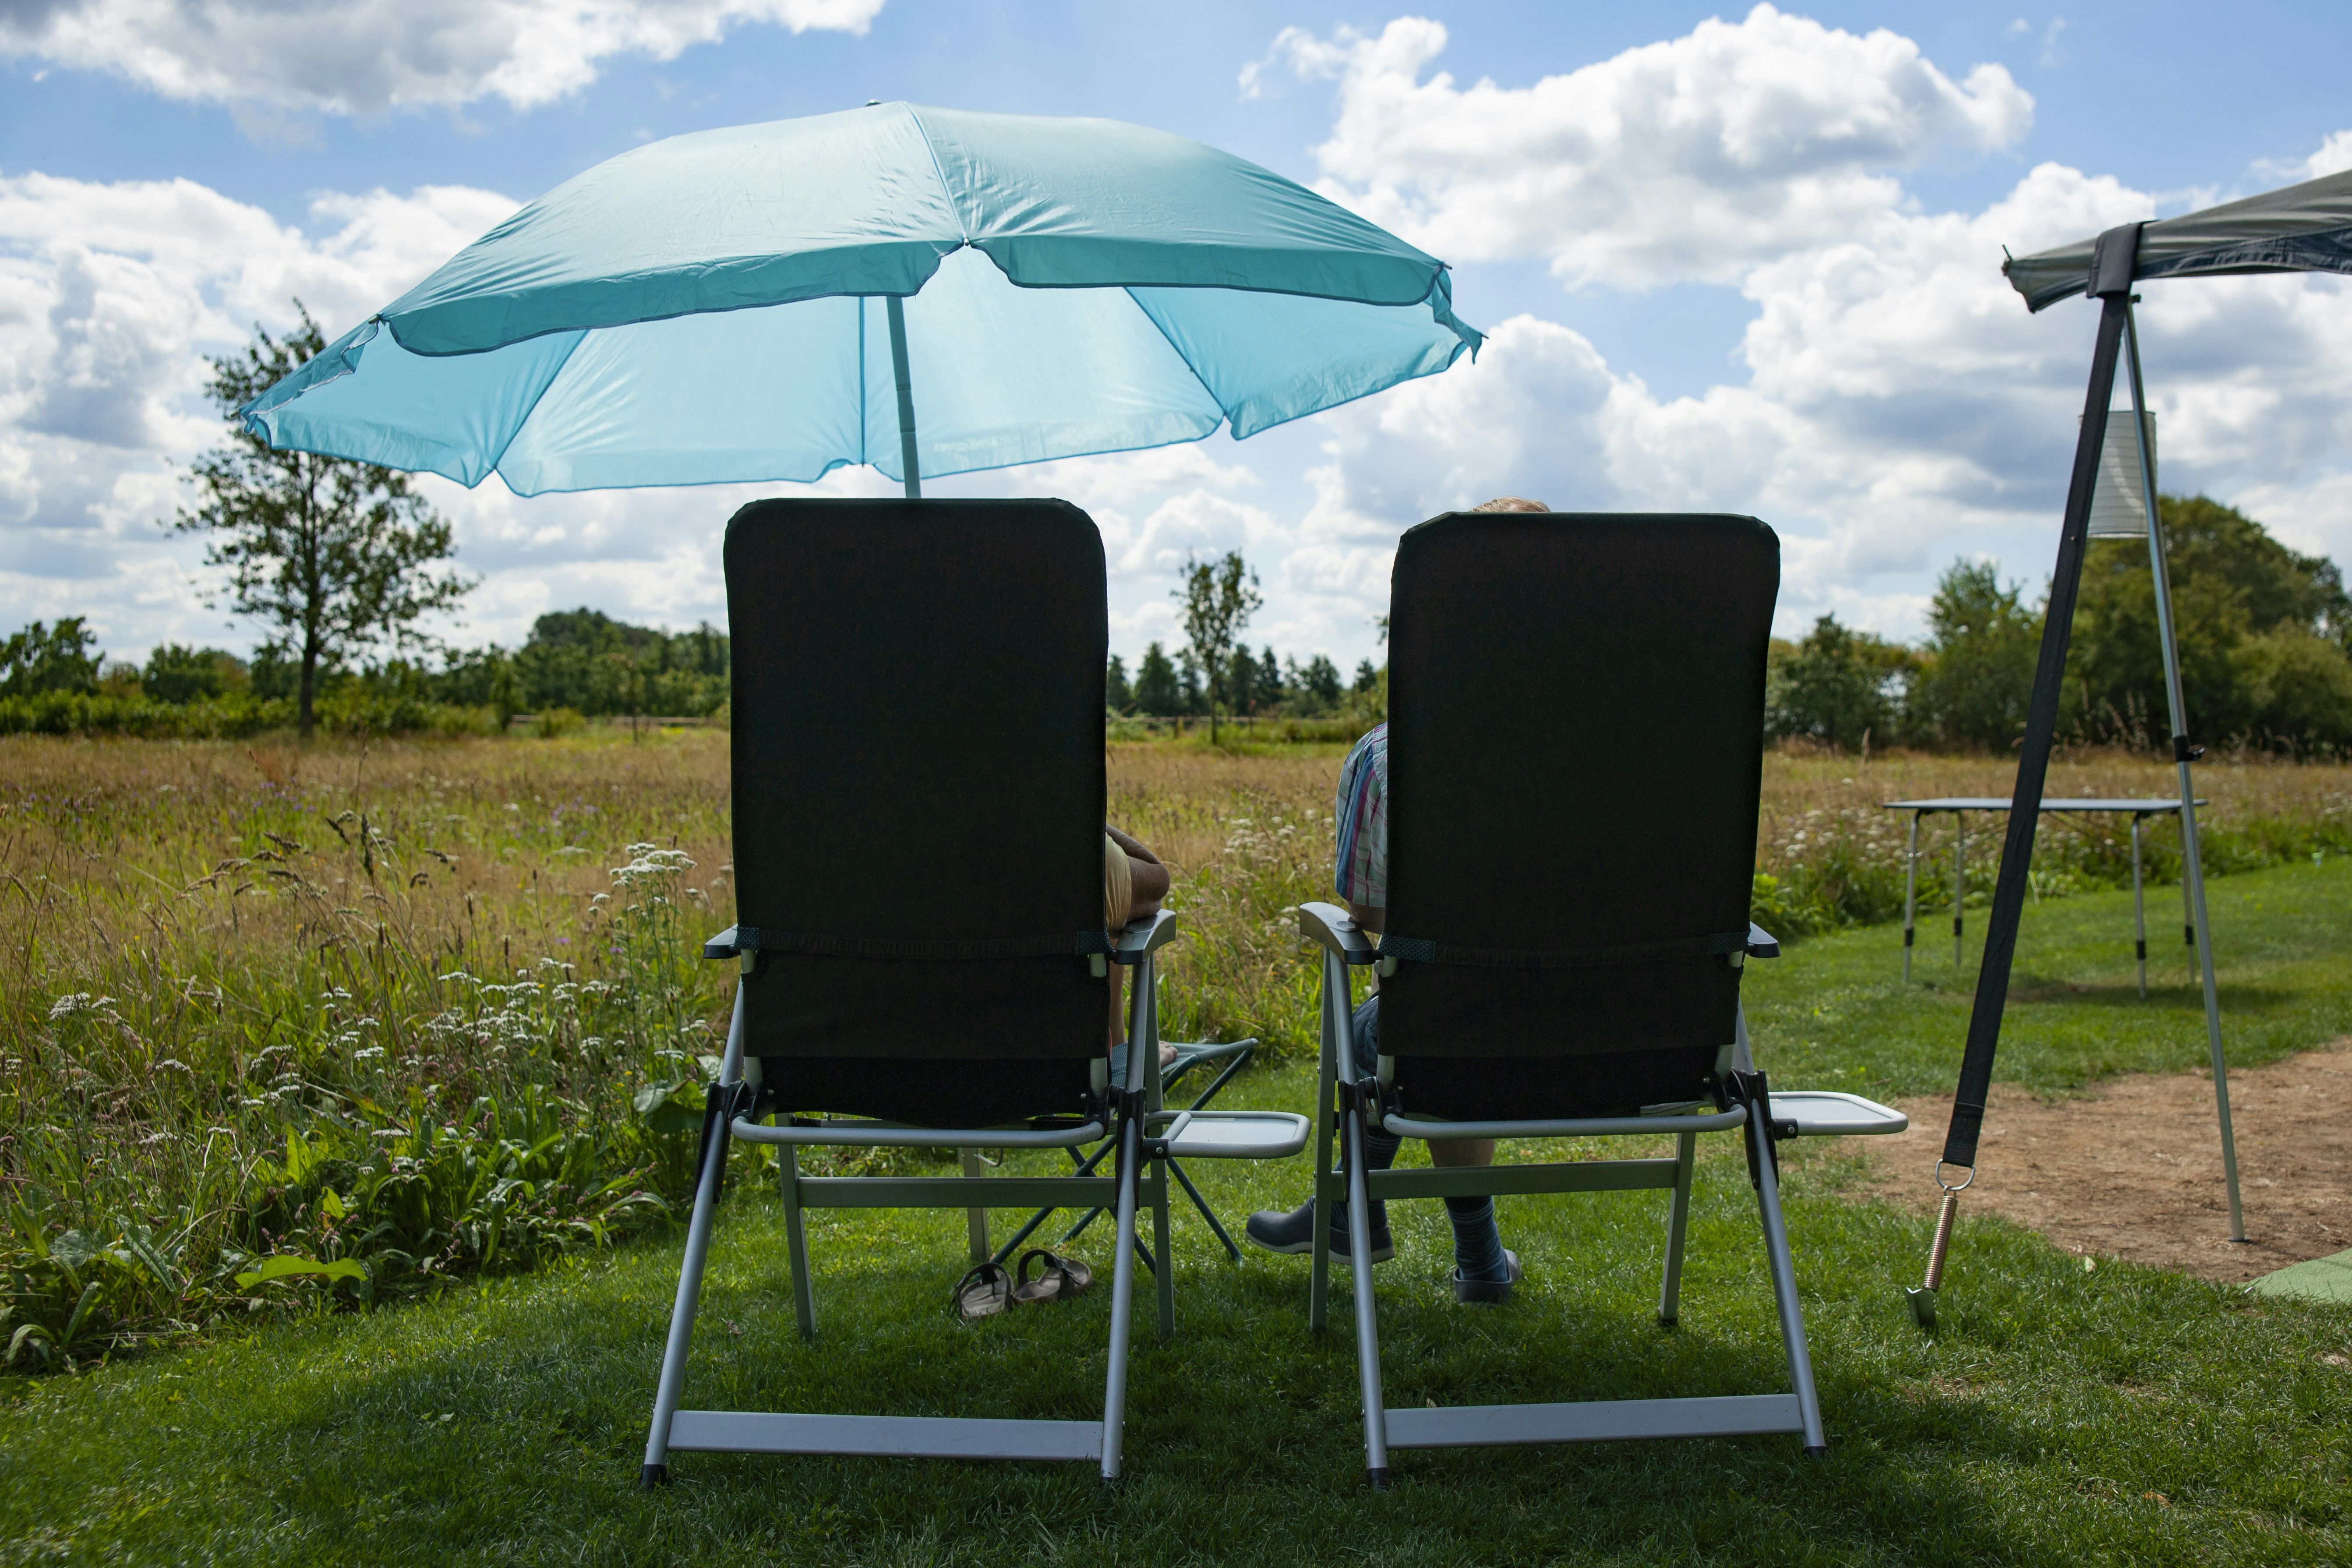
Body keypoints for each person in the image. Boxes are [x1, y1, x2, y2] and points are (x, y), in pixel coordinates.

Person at [1243, 497, 1551, 1303]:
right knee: (1434, 1019)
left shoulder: (1389, 756)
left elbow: (1373, 916)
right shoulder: (1643, 754)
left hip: (1454, 1024)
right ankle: (1474, 1260)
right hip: (1645, 1034)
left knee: (1403, 1023)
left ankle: (1350, 1212)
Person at [1104, 824, 1175, 1065]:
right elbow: (1158, 879)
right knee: (1113, 912)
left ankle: (1120, 1049)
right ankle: (1121, 1058)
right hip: (1079, 1080)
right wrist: (1088, 810)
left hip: (983, 1084)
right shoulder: (1089, 855)